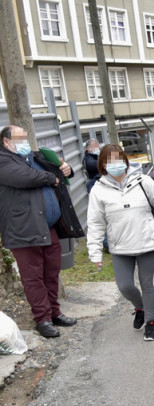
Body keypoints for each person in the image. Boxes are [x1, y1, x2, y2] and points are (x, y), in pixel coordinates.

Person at [0, 125, 84, 338]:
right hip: (24, 230)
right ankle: (42, 319)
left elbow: (58, 168)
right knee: (33, 277)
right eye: (19, 138)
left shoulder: (33, 157)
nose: (25, 142)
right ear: (6, 142)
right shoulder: (3, 160)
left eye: (26, 138)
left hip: (47, 227)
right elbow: (25, 178)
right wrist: (50, 177)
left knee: (51, 272)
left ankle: (54, 313)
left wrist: (67, 169)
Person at [86, 144, 154, 341]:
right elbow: (95, 223)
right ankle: (140, 307)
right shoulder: (98, 190)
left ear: (124, 160)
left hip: (146, 242)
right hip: (120, 246)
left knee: (147, 283)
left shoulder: (142, 181)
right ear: (103, 165)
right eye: (109, 161)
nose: (114, 164)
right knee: (124, 286)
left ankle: (150, 322)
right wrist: (95, 252)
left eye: (118, 159)